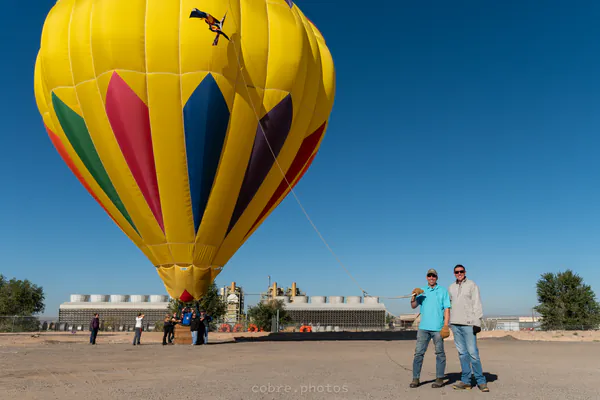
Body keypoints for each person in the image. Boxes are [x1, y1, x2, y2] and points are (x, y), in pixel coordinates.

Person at [448, 264, 489, 392]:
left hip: (468, 324)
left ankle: (481, 381)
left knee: (473, 353)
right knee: (462, 354)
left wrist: (477, 322)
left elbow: (477, 303)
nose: (459, 273)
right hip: (455, 324)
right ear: (454, 273)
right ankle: (466, 381)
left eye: (461, 271)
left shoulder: (472, 285)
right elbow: (448, 305)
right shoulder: (451, 287)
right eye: (456, 272)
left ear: (465, 272)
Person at [410, 268, 451, 389]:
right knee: (418, 354)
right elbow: (413, 306)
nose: (431, 278)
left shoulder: (443, 291)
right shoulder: (422, 291)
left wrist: (446, 326)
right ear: (427, 277)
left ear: (436, 277)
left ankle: (439, 379)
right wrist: (413, 296)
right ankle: (415, 379)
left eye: (433, 276)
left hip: (438, 328)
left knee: (440, 353)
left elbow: (447, 309)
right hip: (423, 328)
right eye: (429, 276)